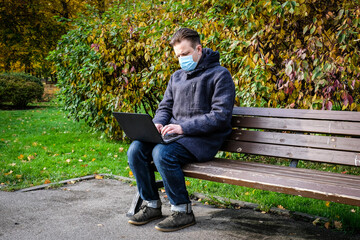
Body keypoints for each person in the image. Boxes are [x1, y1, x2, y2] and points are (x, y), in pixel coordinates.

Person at [127, 28, 235, 232]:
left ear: (199, 49)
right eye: (178, 56)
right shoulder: (176, 77)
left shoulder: (220, 75)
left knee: (162, 153)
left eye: (185, 54)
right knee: (136, 149)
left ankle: (182, 210)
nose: (181, 59)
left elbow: (220, 117)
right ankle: (151, 204)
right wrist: (158, 123)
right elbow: (165, 107)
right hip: (176, 136)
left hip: (203, 140)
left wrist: (183, 127)